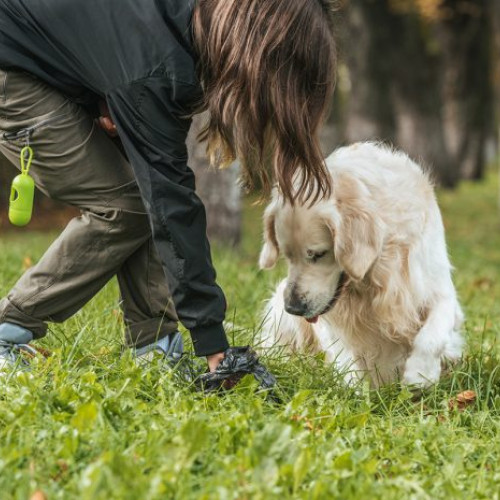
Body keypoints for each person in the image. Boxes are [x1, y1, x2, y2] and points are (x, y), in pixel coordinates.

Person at [0, 0, 336, 375]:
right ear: (255, 49)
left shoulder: (184, 32)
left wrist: (100, 93)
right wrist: (213, 343)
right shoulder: (159, 65)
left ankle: (156, 349)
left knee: (142, 195)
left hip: (43, 61)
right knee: (123, 206)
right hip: (11, 65)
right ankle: (7, 331)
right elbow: (171, 203)